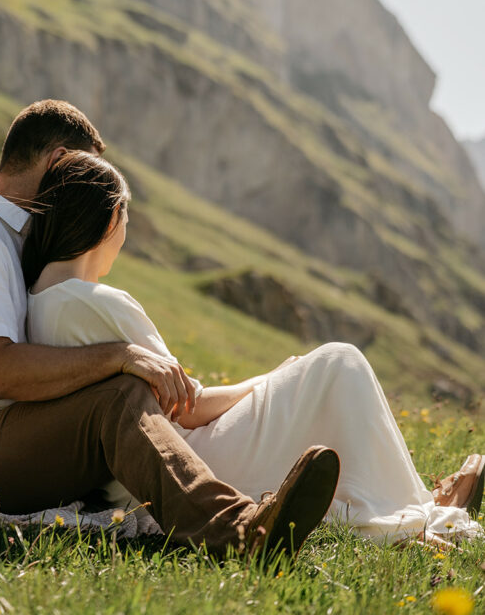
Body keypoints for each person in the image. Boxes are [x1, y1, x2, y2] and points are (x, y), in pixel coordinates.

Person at [0, 99, 340, 559]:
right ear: (59, 160)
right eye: (80, 171)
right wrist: (120, 354)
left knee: (120, 391)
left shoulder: (10, 242)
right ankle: (241, 534)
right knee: (118, 396)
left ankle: (240, 511)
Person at [24, 150, 485, 546]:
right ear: (107, 222)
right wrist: (275, 377)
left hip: (128, 481)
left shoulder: (35, 307)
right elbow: (190, 406)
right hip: (184, 467)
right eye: (125, 219)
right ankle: (417, 509)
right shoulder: (96, 303)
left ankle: (409, 501)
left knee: (316, 389)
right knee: (336, 363)